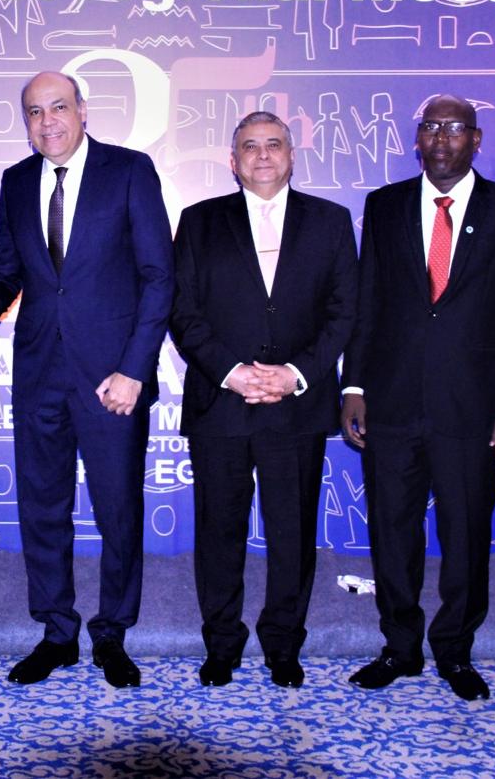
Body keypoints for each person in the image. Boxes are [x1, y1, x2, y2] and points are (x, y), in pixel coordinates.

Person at [341, 94, 495, 701]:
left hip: (475, 408)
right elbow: (368, 301)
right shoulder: (385, 206)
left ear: (476, 140)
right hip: (392, 401)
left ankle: (454, 650)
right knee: (392, 532)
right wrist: (354, 385)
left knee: (466, 535)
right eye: (431, 127)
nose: (442, 138)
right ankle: (399, 647)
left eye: (455, 128)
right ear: (417, 139)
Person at [0, 71, 175, 687]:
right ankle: (57, 632)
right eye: (34, 112)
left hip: (112, 377)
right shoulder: (16, 181)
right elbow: (6, 270)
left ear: (83, 111)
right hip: (39, 372)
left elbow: (158, 277)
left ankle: (111, 632)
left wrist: (134, 370)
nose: (48, 122)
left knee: (118, 509)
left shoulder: (129, 171)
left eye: (58, 107)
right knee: (42, 506)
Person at [169, 111, 357, 687]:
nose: (263, 155)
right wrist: (231, 373)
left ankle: (283, 645)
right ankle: (221, 644)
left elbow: (344, 311)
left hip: (296, 405)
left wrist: (295, 374)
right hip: (220, 403)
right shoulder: (199, 221)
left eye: (274, 144)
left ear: (292, 155)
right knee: (218, 532)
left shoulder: (330, 221)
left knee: (292, 533)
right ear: (233, 161)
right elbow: (183, 312)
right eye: (249, 146)